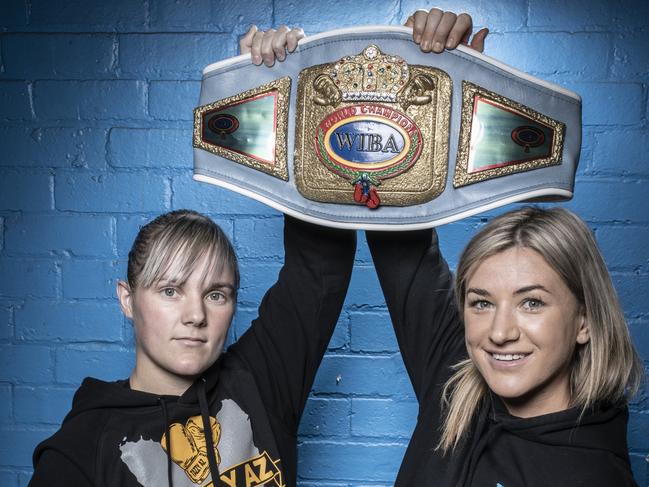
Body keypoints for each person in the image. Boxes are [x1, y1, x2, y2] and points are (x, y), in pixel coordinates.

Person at [30, 210, 356, 486]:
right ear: (127, 300)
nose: (196, 316)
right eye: (171, 291)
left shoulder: (259, 380)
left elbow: (321, 262)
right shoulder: (83, 447)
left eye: (216, 295)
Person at [366, 206, 643, 486]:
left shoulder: (599, 475)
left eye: (532, 303)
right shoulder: (453, 379)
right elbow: (392, 216)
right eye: (482, 303)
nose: (499, 333)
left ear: (584, 322)